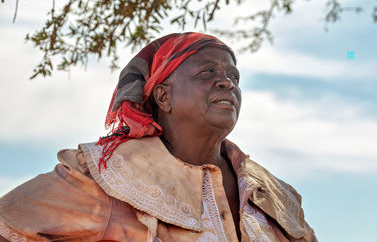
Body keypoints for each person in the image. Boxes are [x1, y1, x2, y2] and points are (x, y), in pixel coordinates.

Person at [0, 32, 317, 242]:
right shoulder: (109, 174)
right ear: (164, 97)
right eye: (207, 72)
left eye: (233, 76)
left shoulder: (273, 192)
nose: (227, 83)